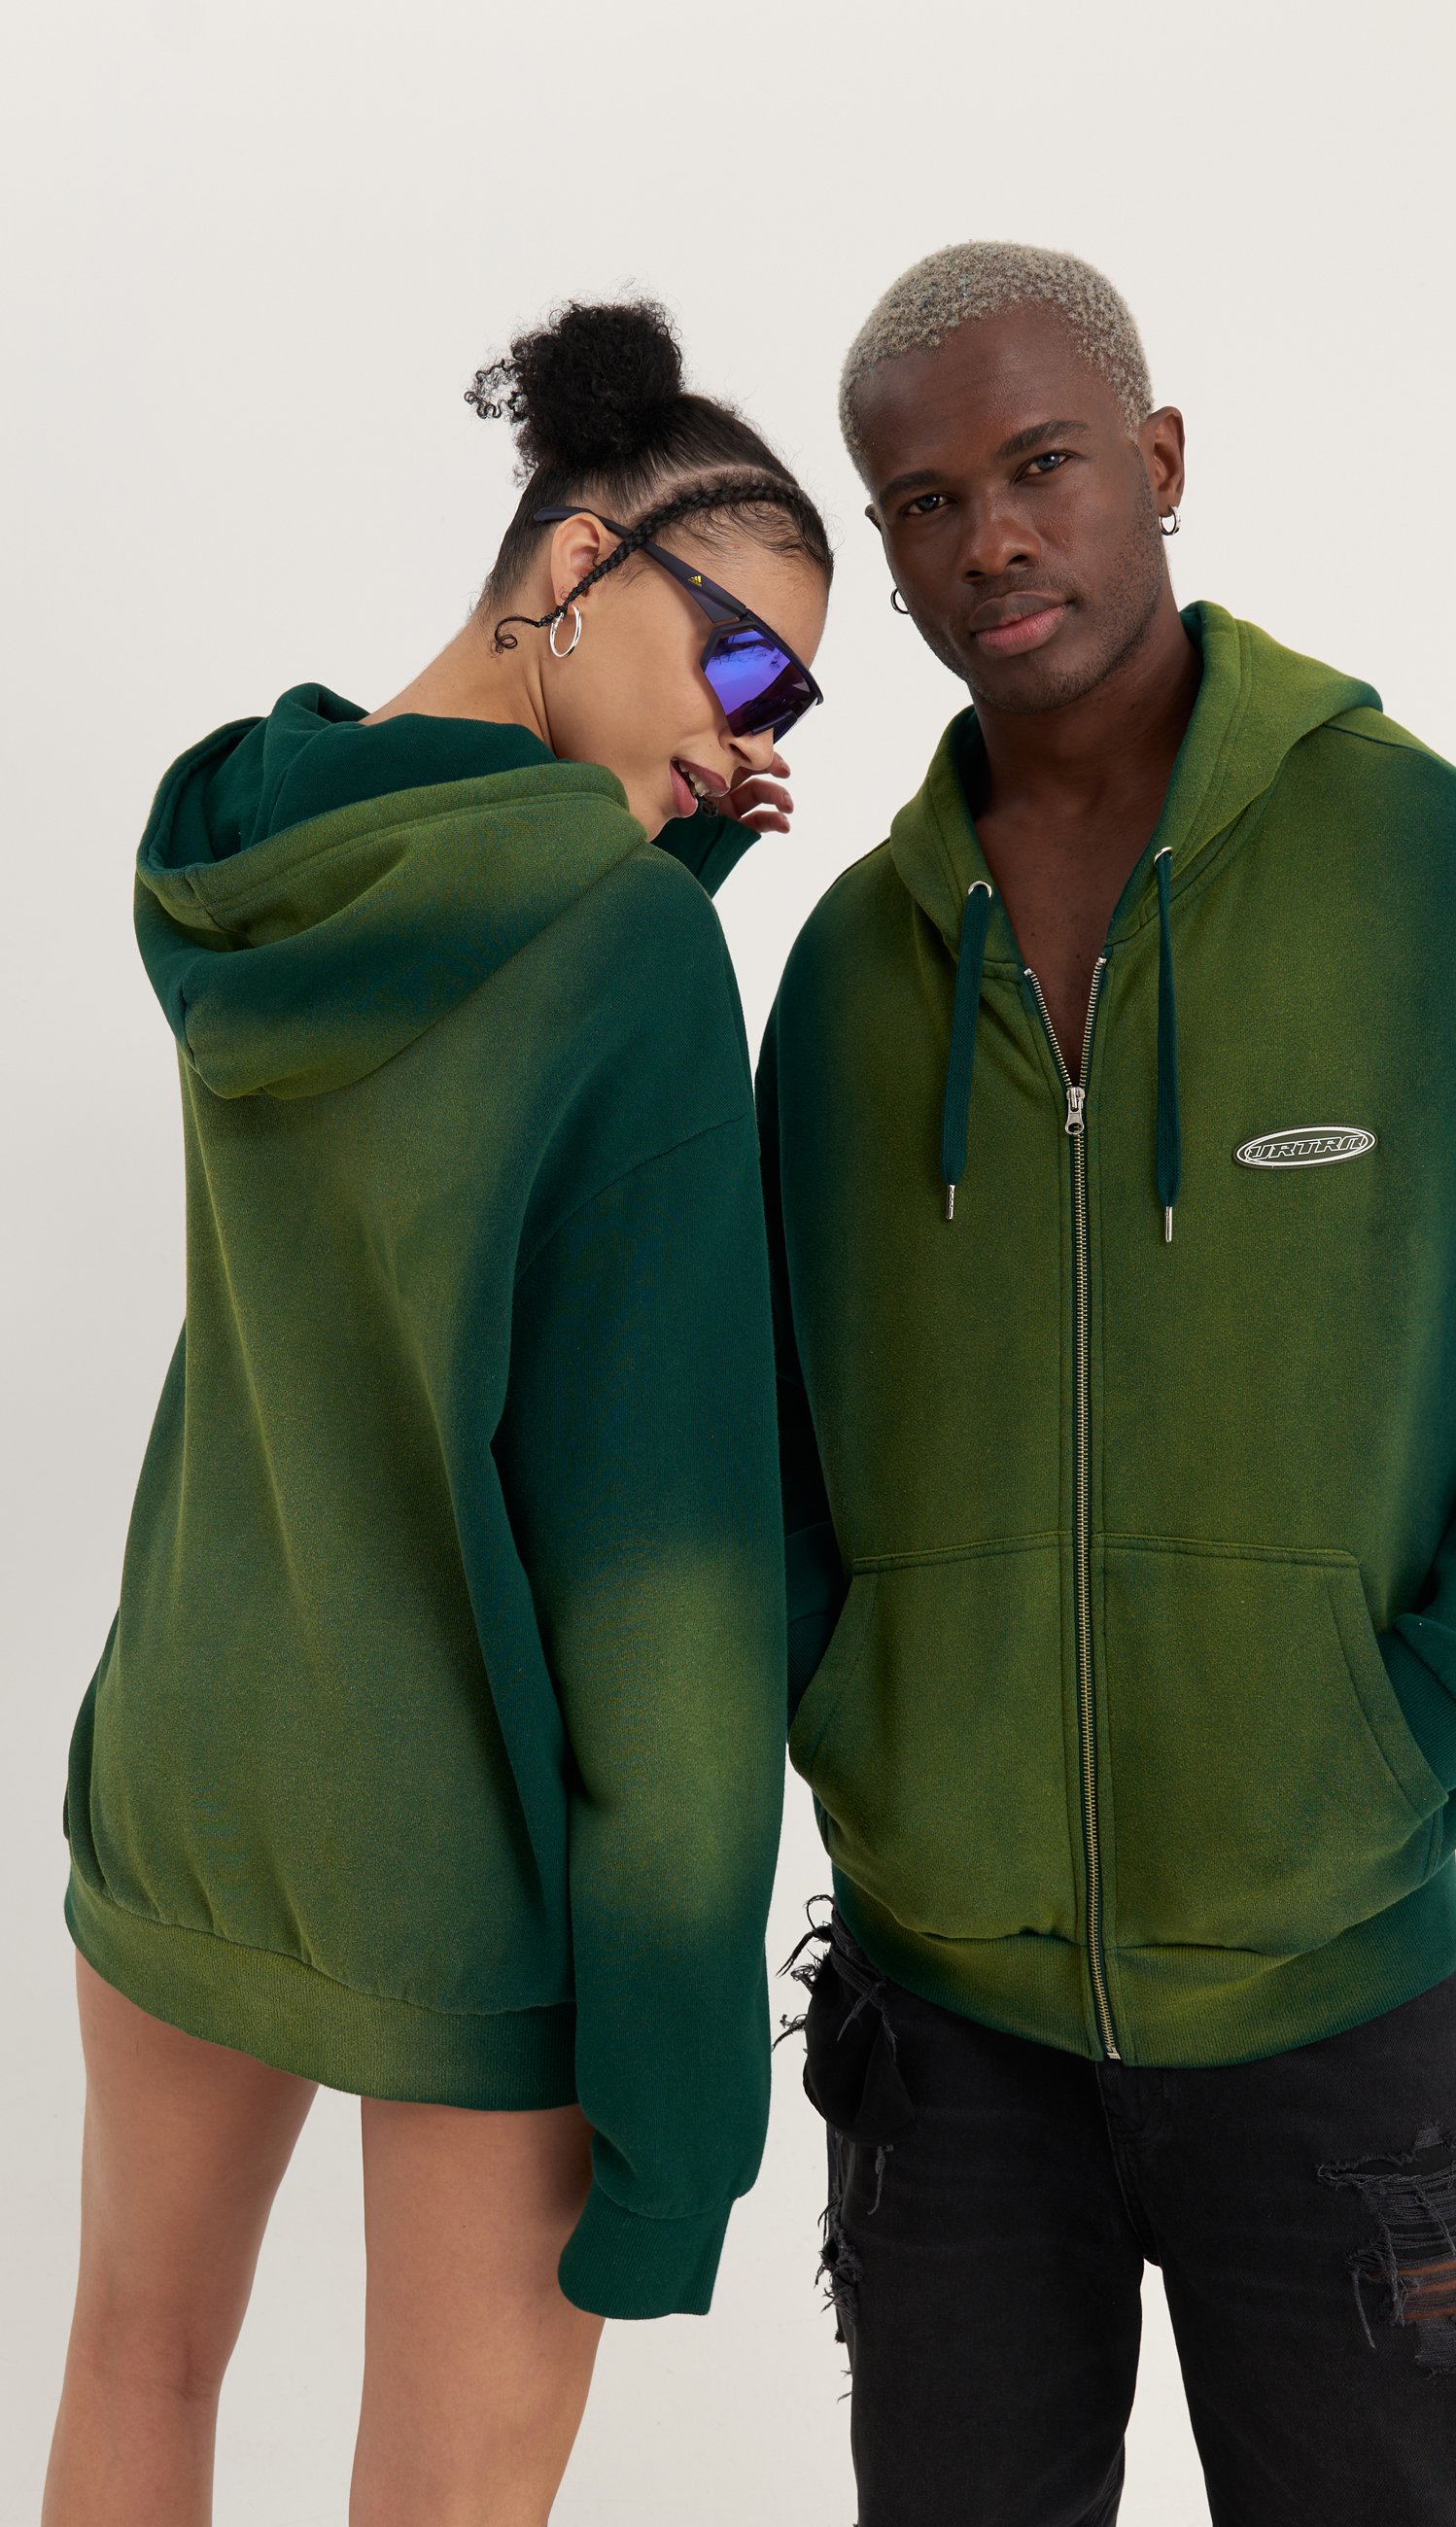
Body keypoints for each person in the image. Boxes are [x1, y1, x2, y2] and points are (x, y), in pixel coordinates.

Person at [760, 242, 1456, 2527]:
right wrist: (852, 1712)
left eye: (1041, 465)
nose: (991, 538)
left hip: (1334, 2006)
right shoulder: (854, 969)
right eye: (924, 502)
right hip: (945, 2036)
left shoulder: (1424, 865)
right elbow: (767, 1418)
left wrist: (1425, 1716)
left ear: (1161, 460)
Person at [49, 297, 828, 2527]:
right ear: (577, 559)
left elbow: (425, 1072)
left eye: (786, 706)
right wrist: (686, 2110)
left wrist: (650, 848)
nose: (746, 731)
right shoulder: (627, 963)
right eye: (737, 660)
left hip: (193, 1753)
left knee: (135, 2364)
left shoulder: (241, 834)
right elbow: (665, 1583)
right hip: (464, 1850)